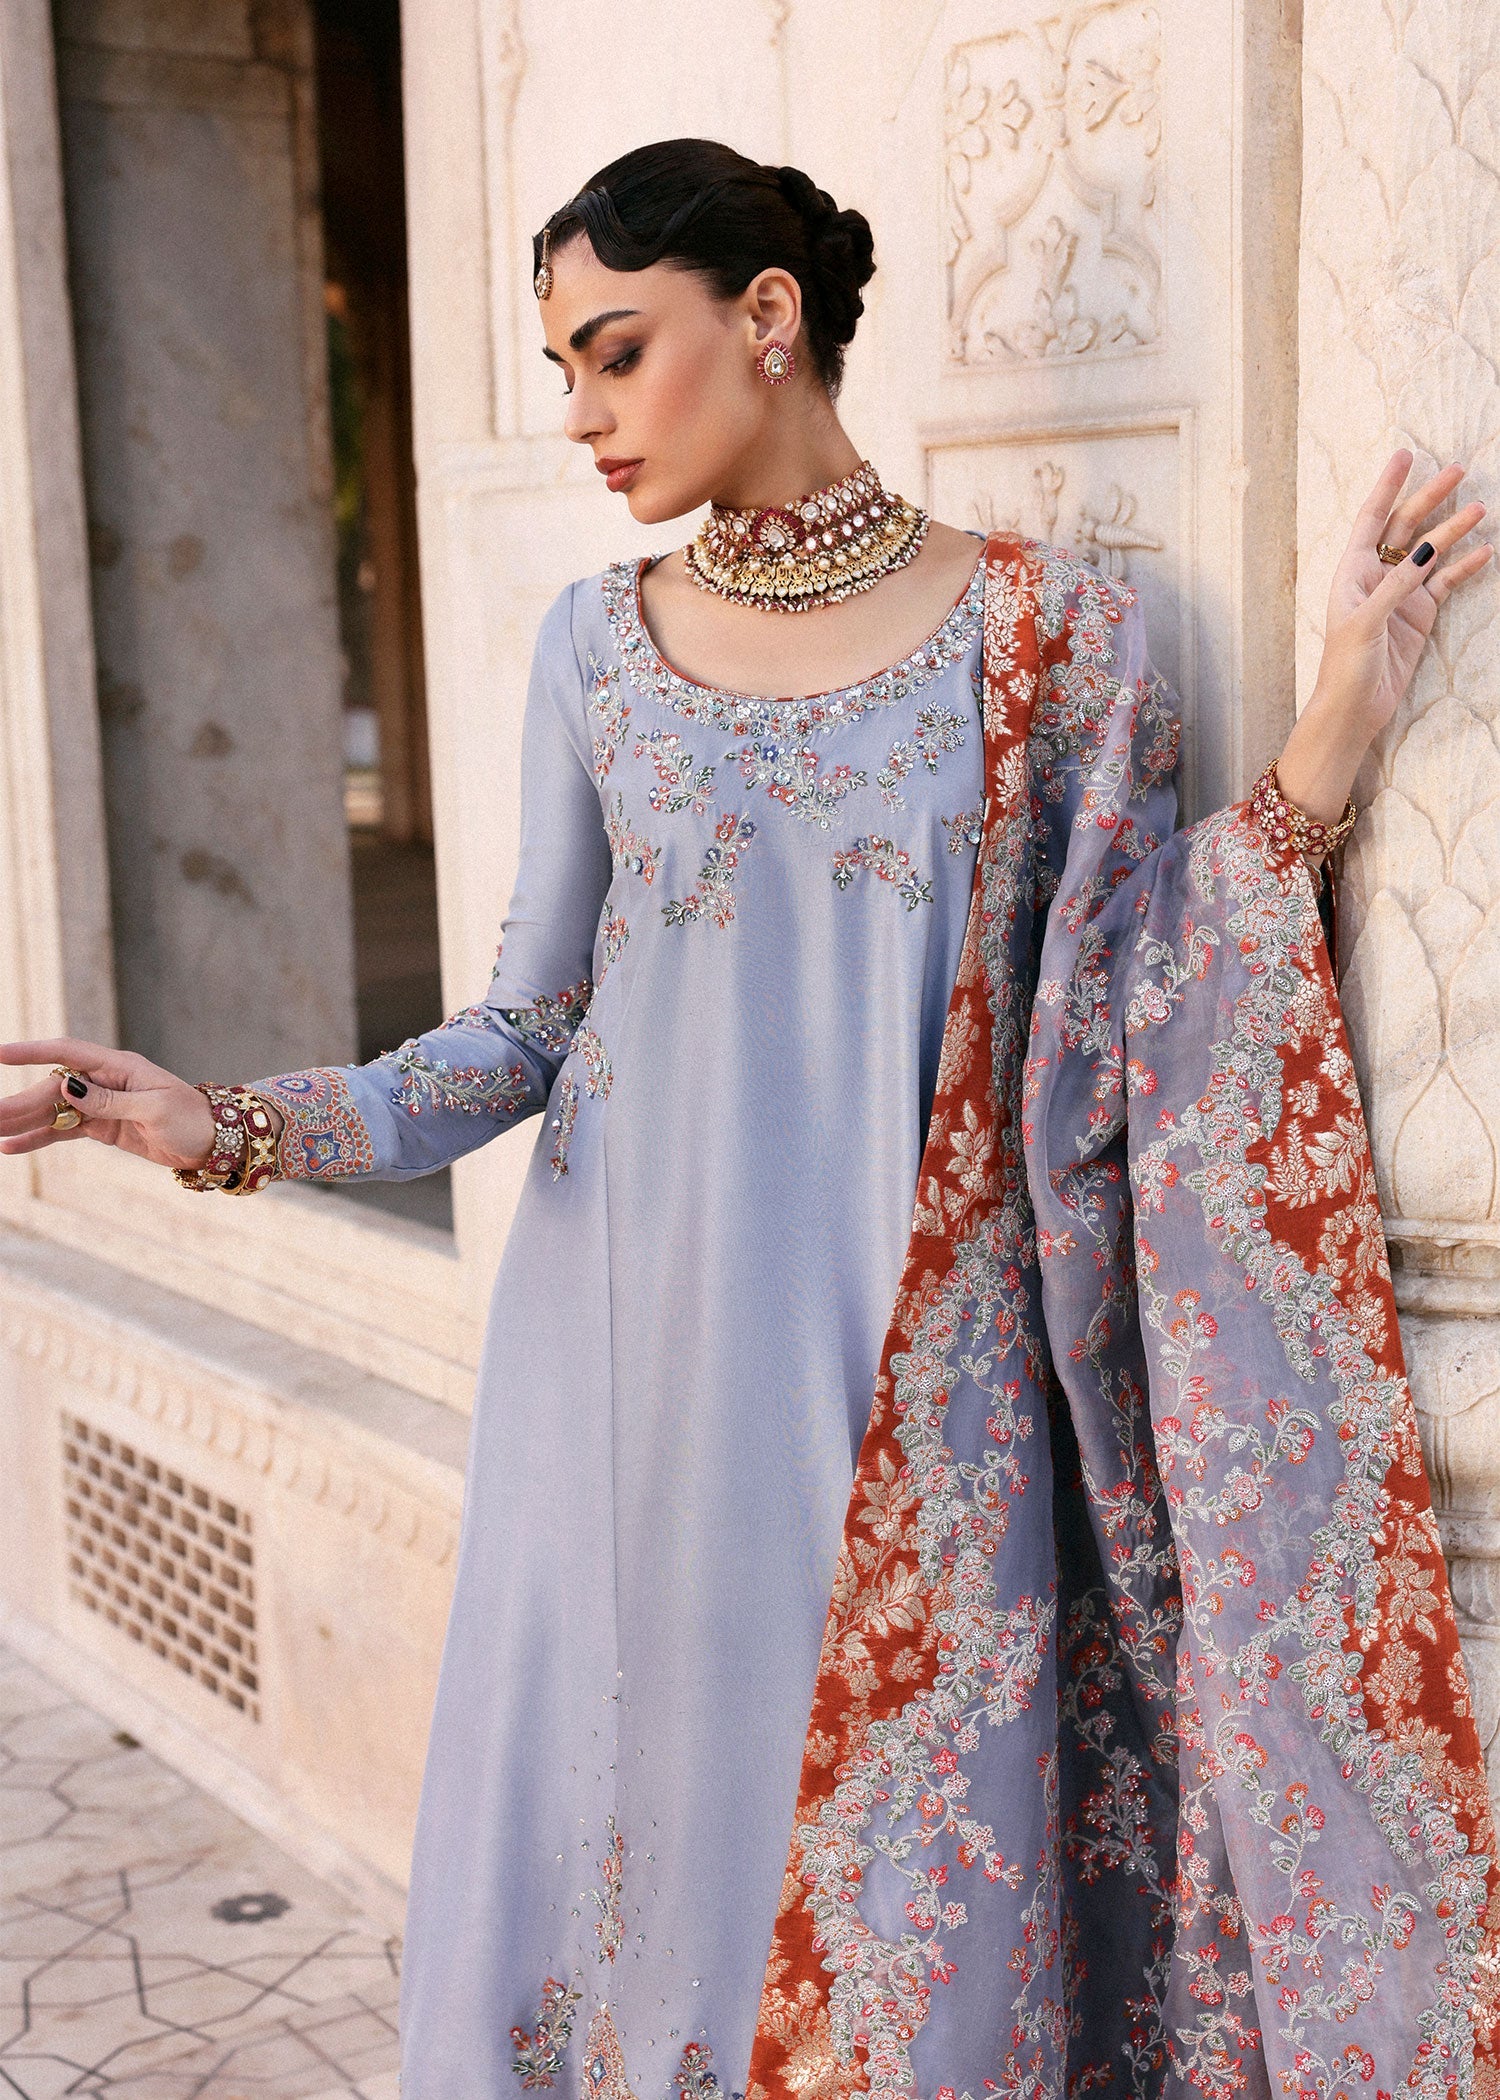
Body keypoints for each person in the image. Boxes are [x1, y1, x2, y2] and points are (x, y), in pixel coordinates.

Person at [2, 137, 1497, 2100]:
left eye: (617, 352)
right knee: (654, 1924)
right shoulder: (593, 651)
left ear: (768, 317)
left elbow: (1135, 1012)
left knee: (907, 1951)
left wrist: (1346, 709)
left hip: (922, 1415)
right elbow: (519, 1032)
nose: (583, 415)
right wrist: (228, 1125)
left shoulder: (1054, 639)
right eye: (563, 368)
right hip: (629, 1404)